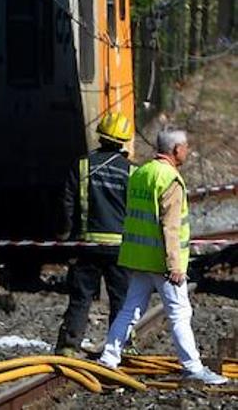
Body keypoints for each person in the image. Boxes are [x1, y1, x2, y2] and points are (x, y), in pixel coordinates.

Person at [97, 129, 228, 385]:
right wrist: (175, 265)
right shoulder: (170, 179)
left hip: (138, 258)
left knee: (130, 310)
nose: (188, 151)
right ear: (176, 149)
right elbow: (170, 227)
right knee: (180, 313)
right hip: (161, 261)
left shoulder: (140, 173)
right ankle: (193, 367)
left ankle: (108, 359)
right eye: (186, 146)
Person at [54, 111, 132, 356]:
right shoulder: (132, 172)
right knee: (121, 300)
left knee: (81, 297)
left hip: (87, 245)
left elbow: (67, 201)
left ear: (100, 137)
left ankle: (69, 345)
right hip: (120, 248)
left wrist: (66, 234)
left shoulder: (83, 165)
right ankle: (120, 347)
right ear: (124, 141)